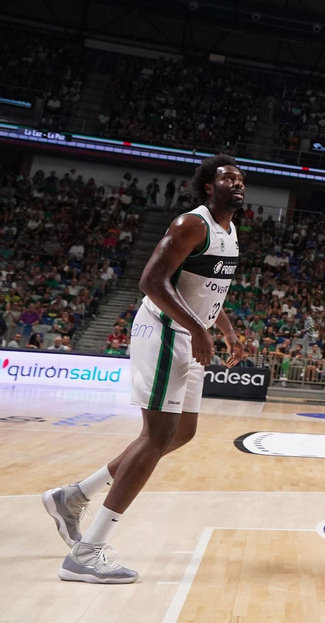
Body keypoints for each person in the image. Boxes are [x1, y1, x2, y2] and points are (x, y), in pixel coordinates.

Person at [43, 156, 249, 583]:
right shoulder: (191, 224)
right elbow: (152, 281)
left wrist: (224, 329)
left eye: (241, 178)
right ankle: (88, 551)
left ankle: (74, 496)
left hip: (191, 335)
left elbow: (208, 290)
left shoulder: (230, 232)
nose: (238, 182)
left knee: (182, 433)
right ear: (209, 187)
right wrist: (199, 330)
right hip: (165, 332)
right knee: (156, 435)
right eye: (228, 177)